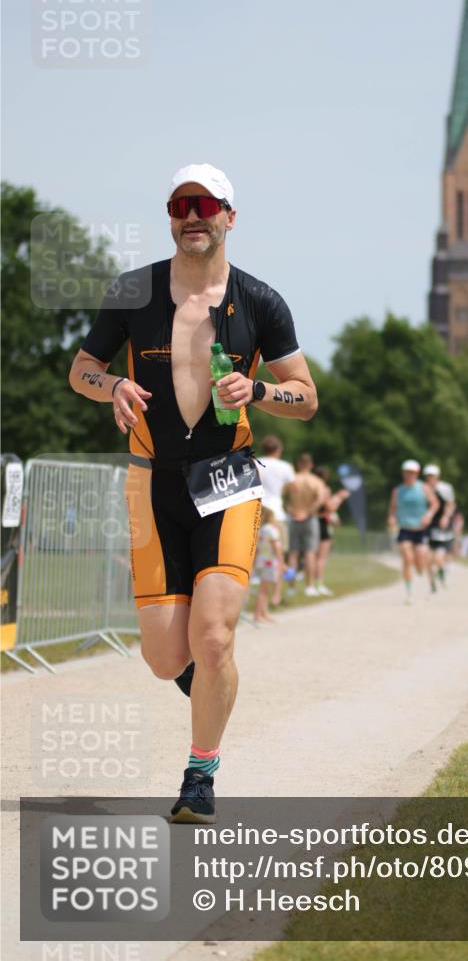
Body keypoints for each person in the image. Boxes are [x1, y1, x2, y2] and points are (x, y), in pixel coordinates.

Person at [69, 163, 317, 822]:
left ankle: (199, 776)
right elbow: (83, 370)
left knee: (213, 637)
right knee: (163, 657)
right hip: (152, 482)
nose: (193, 214)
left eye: (207, 204)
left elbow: (307, 397)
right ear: (171, 215)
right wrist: (112, 387)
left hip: (228, 477)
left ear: (230, 217)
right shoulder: (133, 291)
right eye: (182, 204)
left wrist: (259, 392)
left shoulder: (260, 302)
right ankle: (215, 684)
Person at [387, 460, 439, 604]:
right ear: (403, 473)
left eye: (412, 473)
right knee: (406, 557)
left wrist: (428, 515)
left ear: (416, 474)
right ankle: (409, 592)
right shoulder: (398, 491)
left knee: (420, 558)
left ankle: (424, 580)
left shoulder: (423, 488)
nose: (409, 475)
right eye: (407, 472)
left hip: (421, 529)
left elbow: (435, 504)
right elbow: (392, 507)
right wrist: (391, 518)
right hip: (405, 528)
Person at [256, 435, 295, 605]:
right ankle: (276, 595)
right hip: (276, 515)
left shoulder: (255, 461)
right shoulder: (285, 466)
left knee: (256, 554)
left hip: (258, 512)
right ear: (278, 450)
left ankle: (256, 593)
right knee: (279, 555)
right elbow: (293, 487)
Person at [285, 452, 326, 597]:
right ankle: (309, 586)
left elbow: (281, 494)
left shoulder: (292, 479)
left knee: (293, 554)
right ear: (311, 465)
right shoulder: (315, 481)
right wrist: (309, 511)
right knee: (310, 553)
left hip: (294, 516)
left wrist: (288, 508)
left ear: (298, 464)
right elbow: (321, 498)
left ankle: (291, 587)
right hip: (309, 518)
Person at [313, 466, 350, 596]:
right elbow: (330, 507)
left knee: (311, 556)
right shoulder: (324, 489)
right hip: (321, 524)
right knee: (321, 558)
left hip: (311, 521)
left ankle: (308, 585)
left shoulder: (310, 487)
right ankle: (318, 584)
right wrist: (339, 497)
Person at [422, 463, 456, 592]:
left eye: (433, 476)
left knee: (438, 557)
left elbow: (450, 505)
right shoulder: (423, 489)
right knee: (427, 558)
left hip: (442, 526)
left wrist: (446, 517)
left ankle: (441, 572)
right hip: (428, 527)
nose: (431, 479)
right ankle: (432, 585)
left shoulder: (445, 488)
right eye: (428, 476)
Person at [253, 506, 283, 625]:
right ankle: (258, 614)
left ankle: (263, 613)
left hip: (261, 560)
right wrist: (281, 562)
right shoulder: (271, 530)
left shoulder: (261, 529)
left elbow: (258, 549)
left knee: (264, 588)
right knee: (264, 589)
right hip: (270, 561)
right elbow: (276, 547)